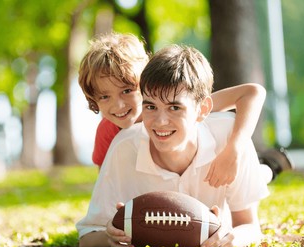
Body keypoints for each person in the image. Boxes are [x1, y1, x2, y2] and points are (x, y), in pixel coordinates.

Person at [76, 44, 272, 247]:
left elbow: (250, 227)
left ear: (202, 109)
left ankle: (268, 167)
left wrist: (233, 237)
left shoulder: (223, 130)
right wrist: (111, 236)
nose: (160, 121)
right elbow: (90, 234)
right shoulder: (119, 143)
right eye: (151, 106)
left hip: (231, 158)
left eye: (174, 108)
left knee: (261, 172)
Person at [78, 32, 292, 188]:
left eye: (126, 90)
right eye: (104, 96)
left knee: (251, 178)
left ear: (145, 83)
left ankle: (270, 166)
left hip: (203, 174)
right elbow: (106, 188)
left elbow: (253, 93)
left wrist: (233, 149)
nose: (118, 105)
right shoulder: (107, 134)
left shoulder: (172, 110)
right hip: (161, 189)